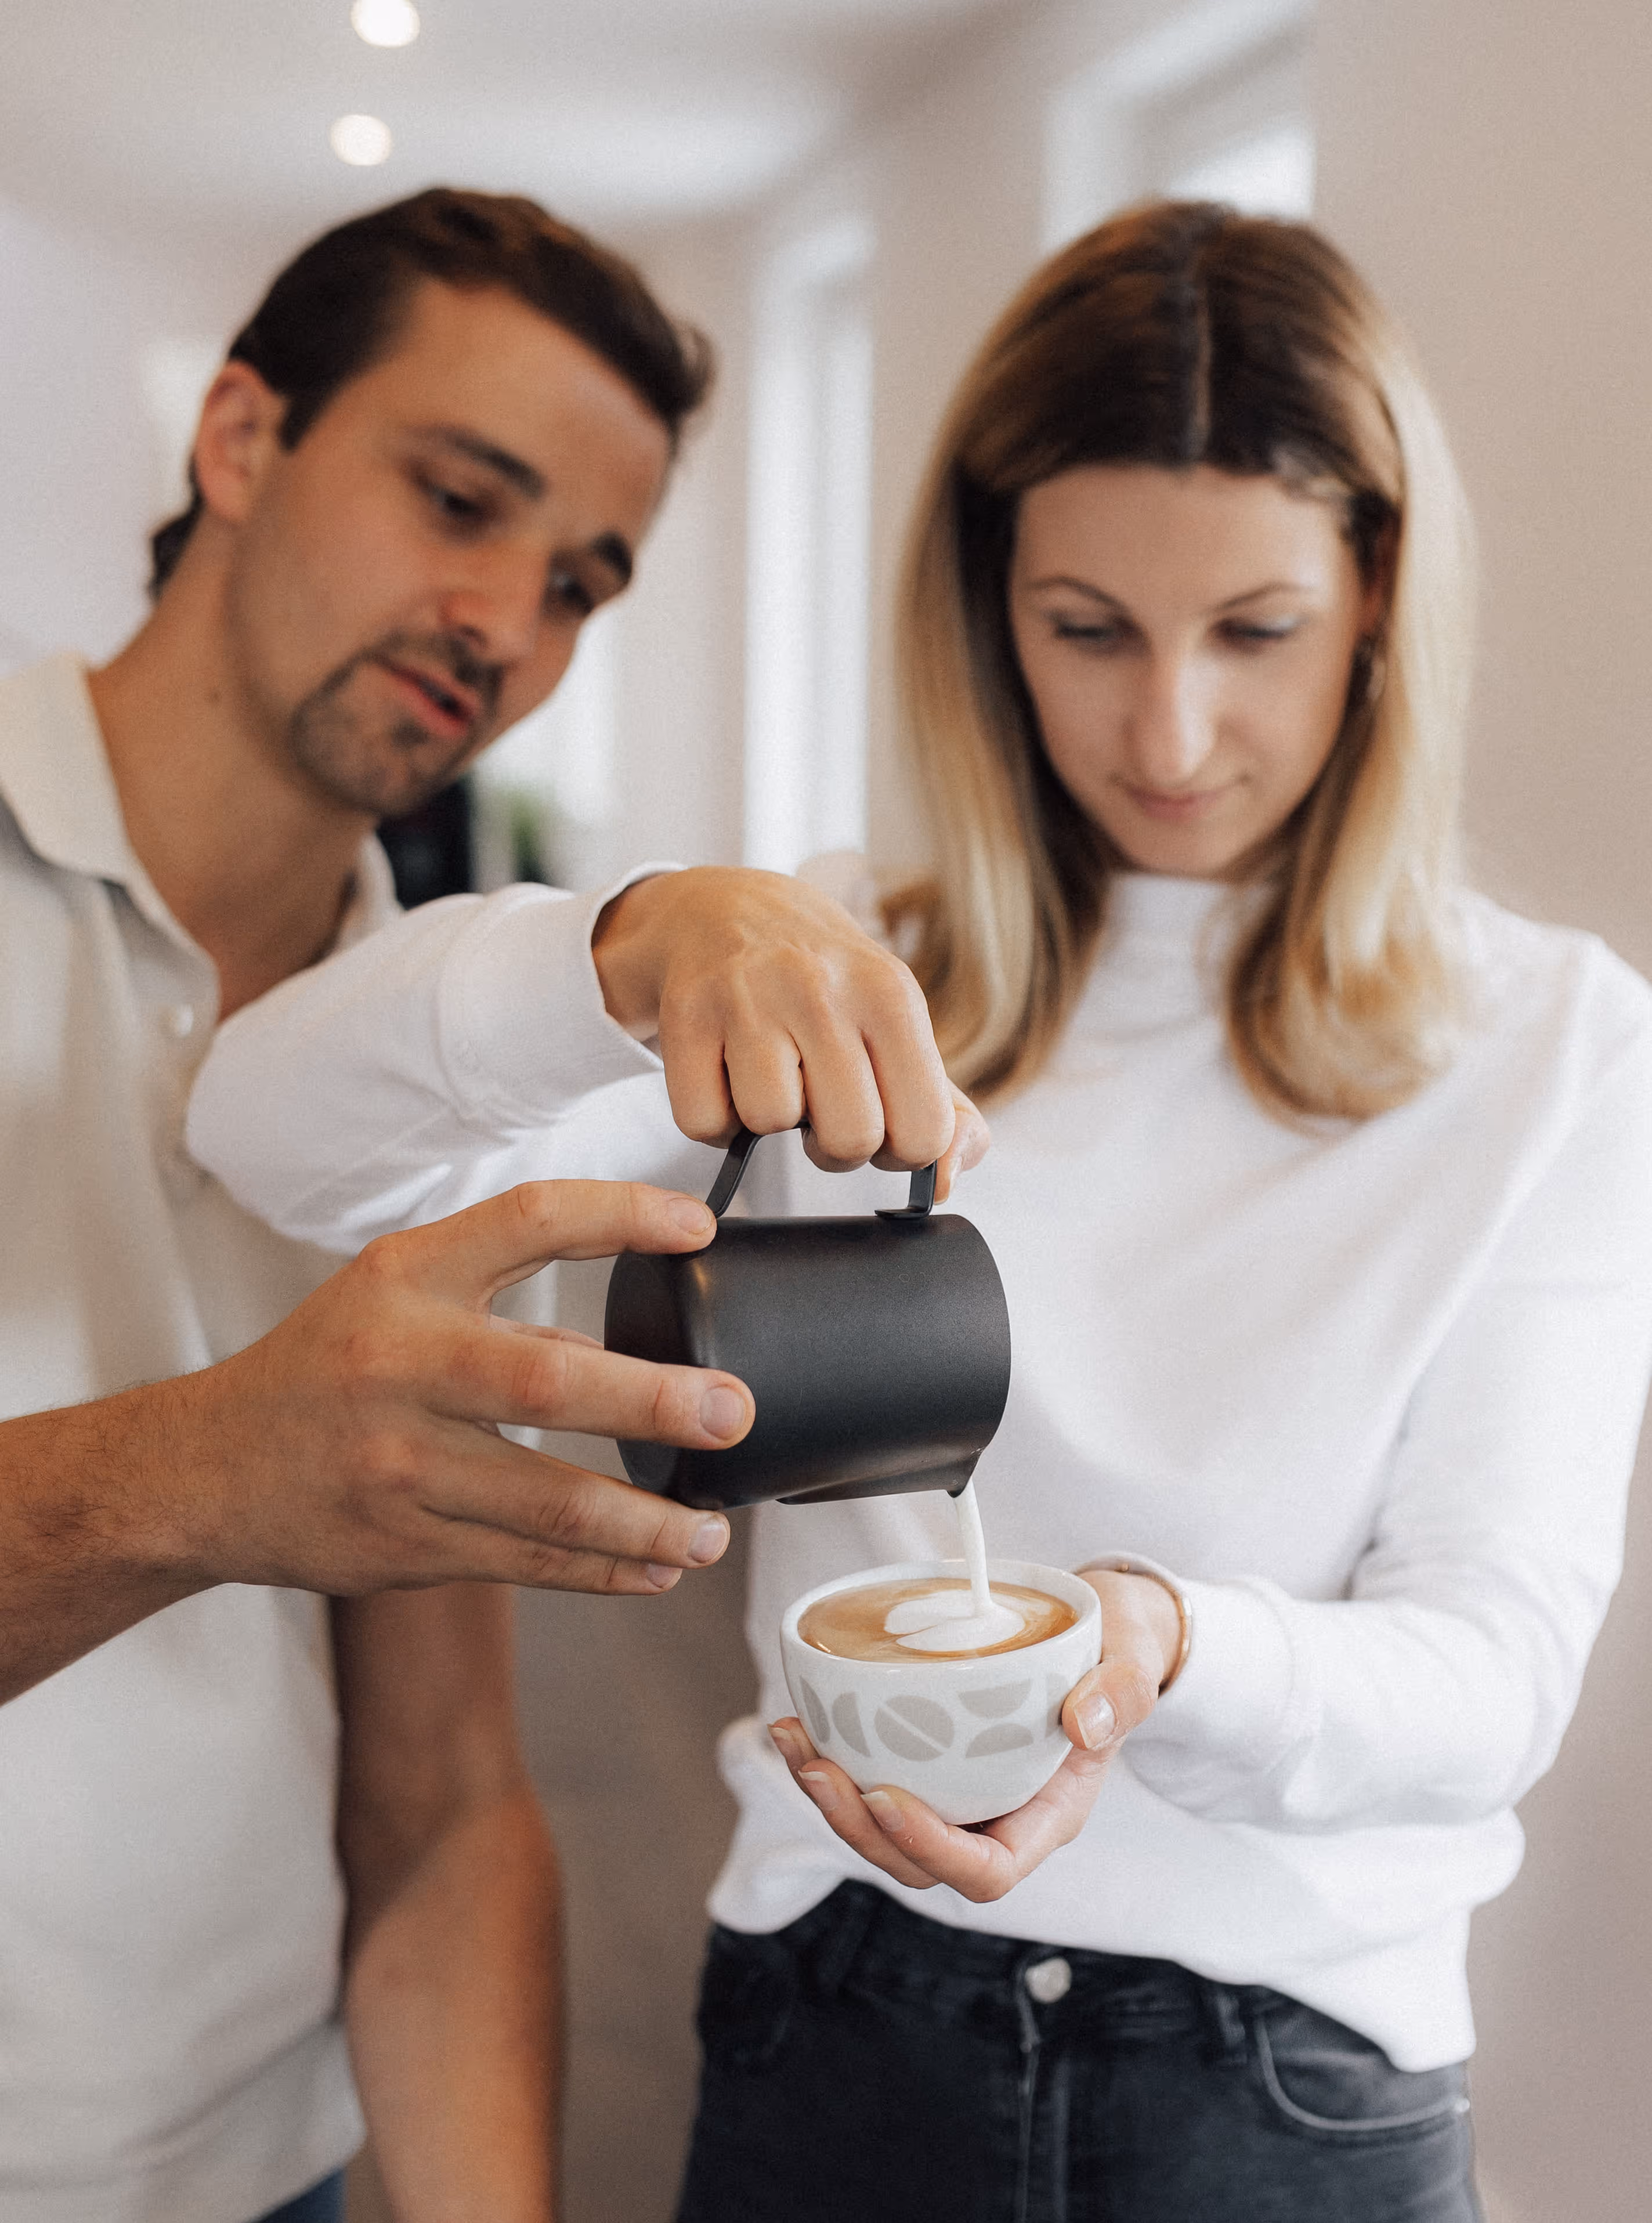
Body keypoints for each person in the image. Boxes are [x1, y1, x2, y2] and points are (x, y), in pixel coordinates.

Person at [186, 200, 1652, 2221]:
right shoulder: (829, 969)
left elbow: (1487, 1672)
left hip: (1285, 2086)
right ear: (986, 598)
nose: (1167, 735)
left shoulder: (1553, 1048)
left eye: (1253, 630)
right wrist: (619, 943)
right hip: (838, 2014)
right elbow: (261, 1131)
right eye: (1086, 627)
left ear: (1380, 590)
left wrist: (1146, 1646)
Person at [0, 186, 981, 2223]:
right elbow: (227, 1477)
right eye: (460, 500)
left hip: (262, 2163)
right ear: (243, 437)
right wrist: (196, 1470)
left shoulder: (437, 1087)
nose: (505, 624)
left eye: (578, 583)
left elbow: (441, 1803)